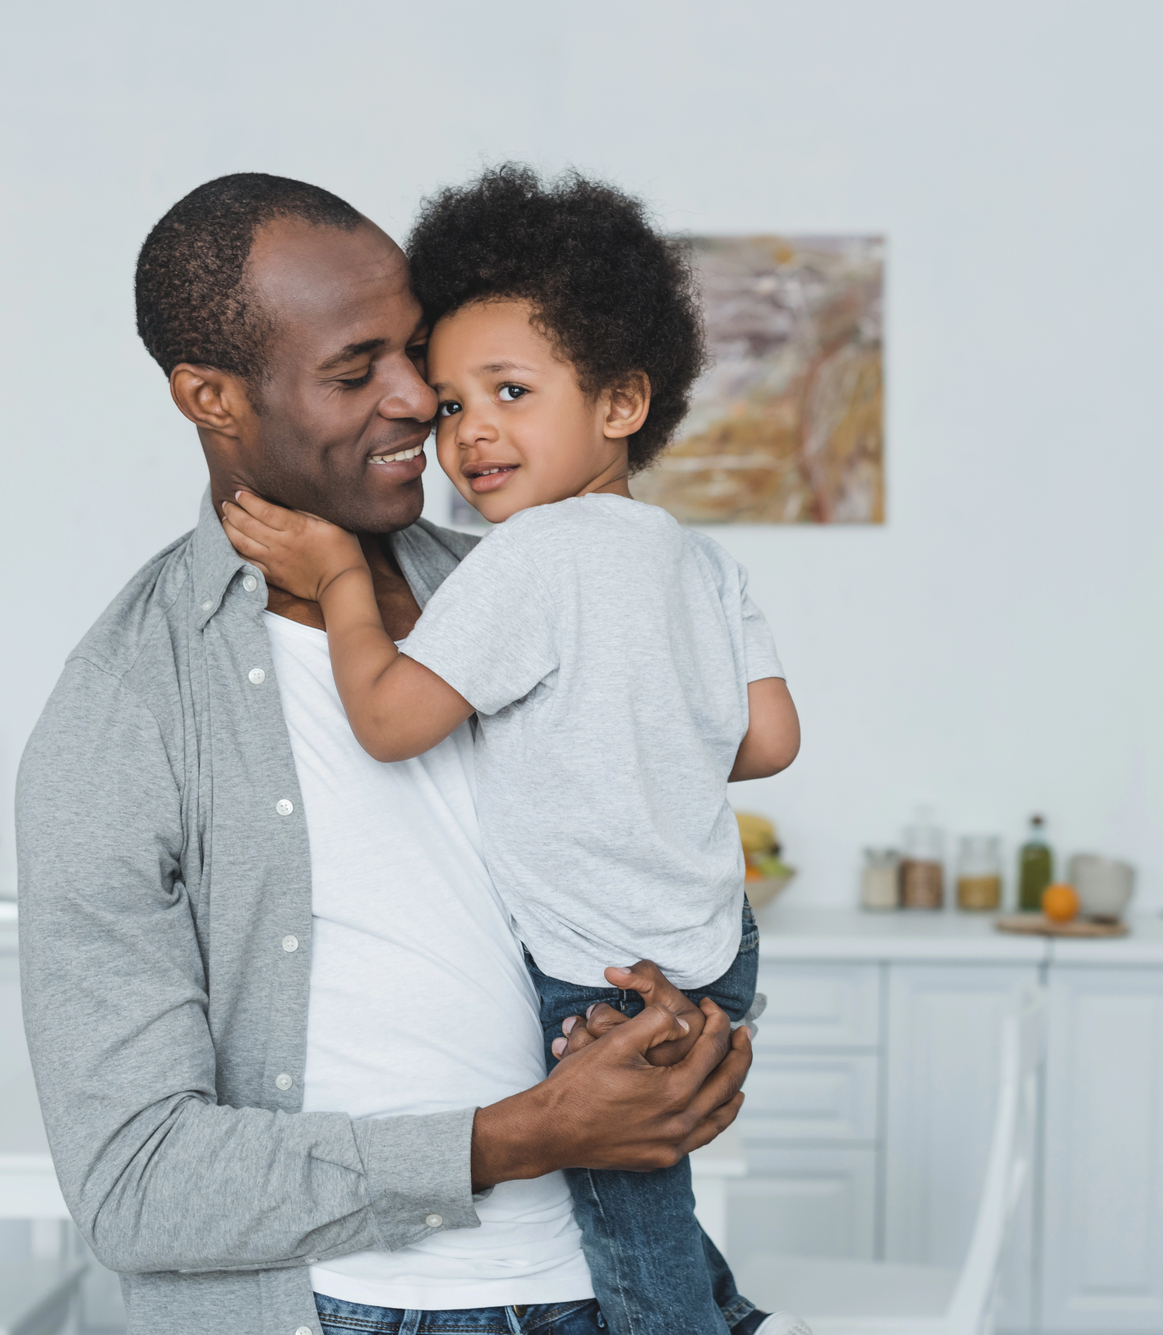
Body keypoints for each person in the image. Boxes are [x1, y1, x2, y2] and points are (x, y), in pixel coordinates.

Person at [16, 173, 758, 1335]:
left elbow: (657, 833)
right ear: (210, 395)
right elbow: (134, 1185)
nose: (422, 404)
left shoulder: (521, 581)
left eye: (419, 354)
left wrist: (682, 1035)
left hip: (607, 1292)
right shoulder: (128, 709)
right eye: (358, 372)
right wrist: (517, 1138)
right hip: (358, 1313)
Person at [216, 166, 803, 1335]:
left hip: (603, 968)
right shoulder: (697, 560)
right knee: (649, 1202)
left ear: (621, 403)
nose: (469, 430)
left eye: (509, 391)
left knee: (627, 1238)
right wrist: (623, 734)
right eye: (447, 405)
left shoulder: (527, 560)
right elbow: (769, 740)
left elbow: (388, 724)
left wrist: (338, 579)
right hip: (710, 945)